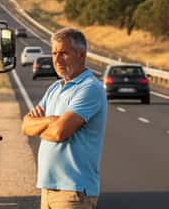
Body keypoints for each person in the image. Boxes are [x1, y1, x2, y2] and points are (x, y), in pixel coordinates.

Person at [21, 28, 107, 209]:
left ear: (81, 54)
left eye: (63, 53)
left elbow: (59, 132)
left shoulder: (89, 88)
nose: (57, 59)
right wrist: (50, 120)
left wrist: (43, 126)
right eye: (54, 53)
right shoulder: (54, 88)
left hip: (73, 191)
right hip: (48, 189)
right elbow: (26, 126)